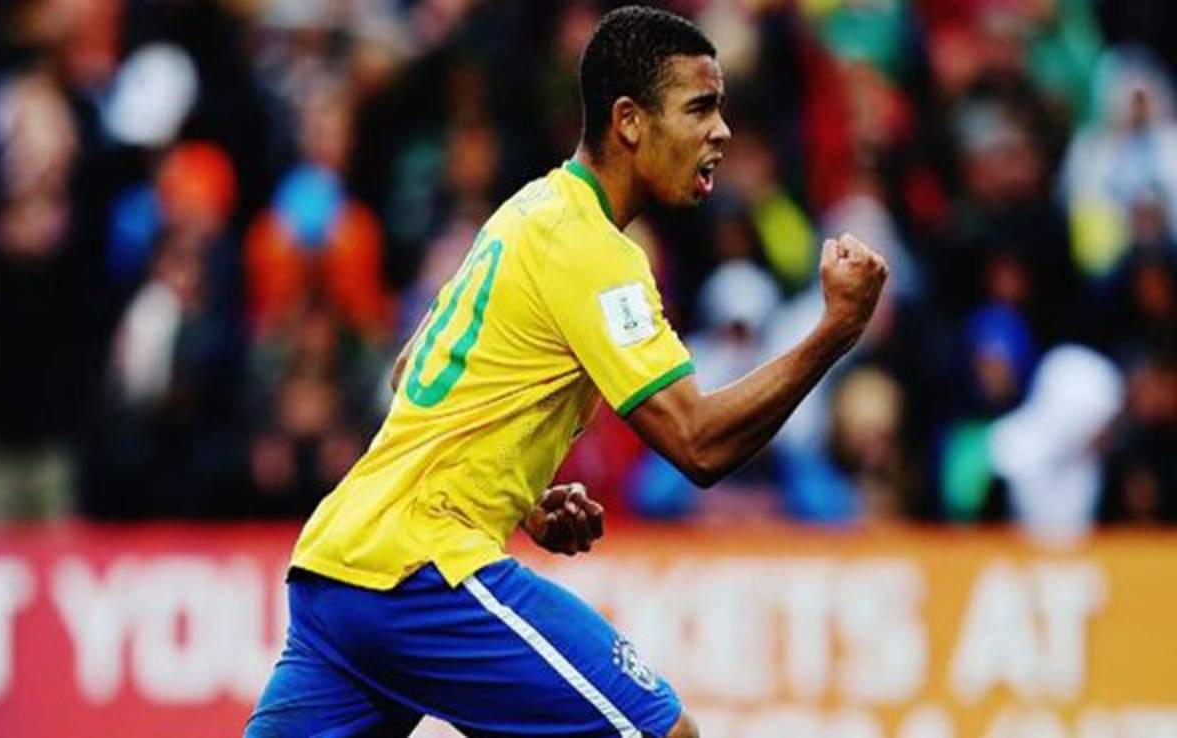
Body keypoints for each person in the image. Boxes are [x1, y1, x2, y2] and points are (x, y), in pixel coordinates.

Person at [245, 6, 887, 738]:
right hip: (420, 569)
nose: (722, 131)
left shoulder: (530, 209)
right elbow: (699, 443)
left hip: (337, 572)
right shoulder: (593, 252)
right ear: (630, 121)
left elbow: (410, 370)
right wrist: (836, 330)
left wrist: (520, 496)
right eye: (699, 107)